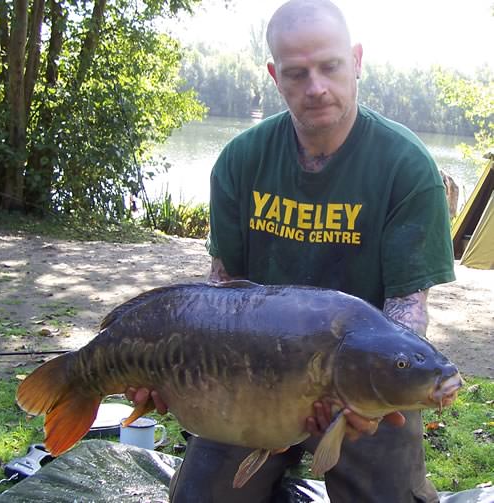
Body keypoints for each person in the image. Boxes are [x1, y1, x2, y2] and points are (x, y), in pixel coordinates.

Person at [128, 1, 458, 501]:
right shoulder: (241, 160)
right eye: (297, 73)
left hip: (361, 373)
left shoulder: (406, 167)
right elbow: (221, 293)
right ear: (274, 76)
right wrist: (168, 369)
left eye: (330, 67)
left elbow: (406, 311)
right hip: (244, 376)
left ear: (357, 61)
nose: (316, 87)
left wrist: (363, 398)